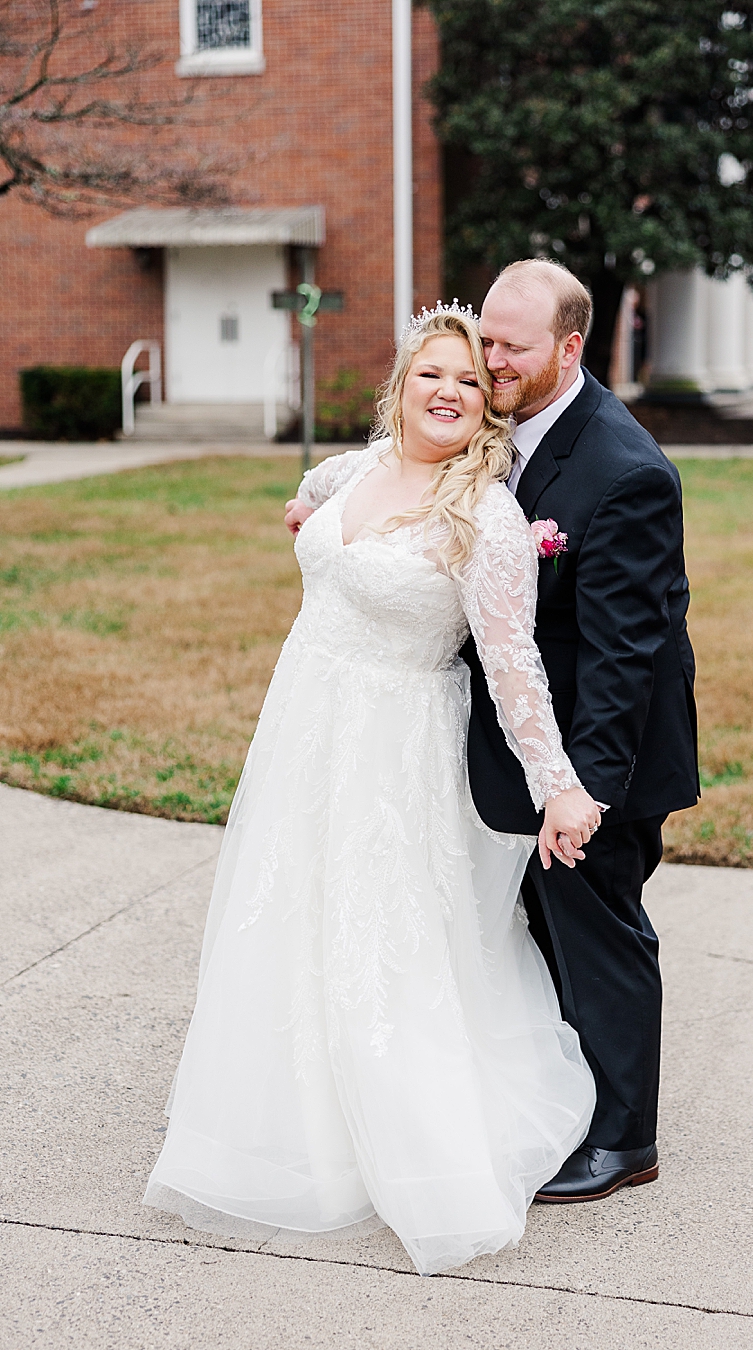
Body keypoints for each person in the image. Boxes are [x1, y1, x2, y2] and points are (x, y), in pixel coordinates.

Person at [145, 305, 598, 1278]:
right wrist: (306, 520)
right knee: (288, 915)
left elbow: (516, 668)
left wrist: (558, 787)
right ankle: (280, 1119)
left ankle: (397, 1142)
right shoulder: (355, 470)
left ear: (488, 408)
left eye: (472, 382)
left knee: (377, 938)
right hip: (307, 722)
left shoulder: (486, 516)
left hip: (395, 748)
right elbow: (314, 498)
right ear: (400, 385)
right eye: (433, 373)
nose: (450, 392)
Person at [465, 260, 699, 1203]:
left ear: (570, 346)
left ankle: (623, 1140)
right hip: (532, 751)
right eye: (485, 339)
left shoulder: (626, 471)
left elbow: (623, 657)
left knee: (600, 934)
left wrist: (585, 796)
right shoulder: (502, 424)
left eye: (511, 347)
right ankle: (570, 1099)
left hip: (604, 757)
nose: (490, 361)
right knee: (545, 931)